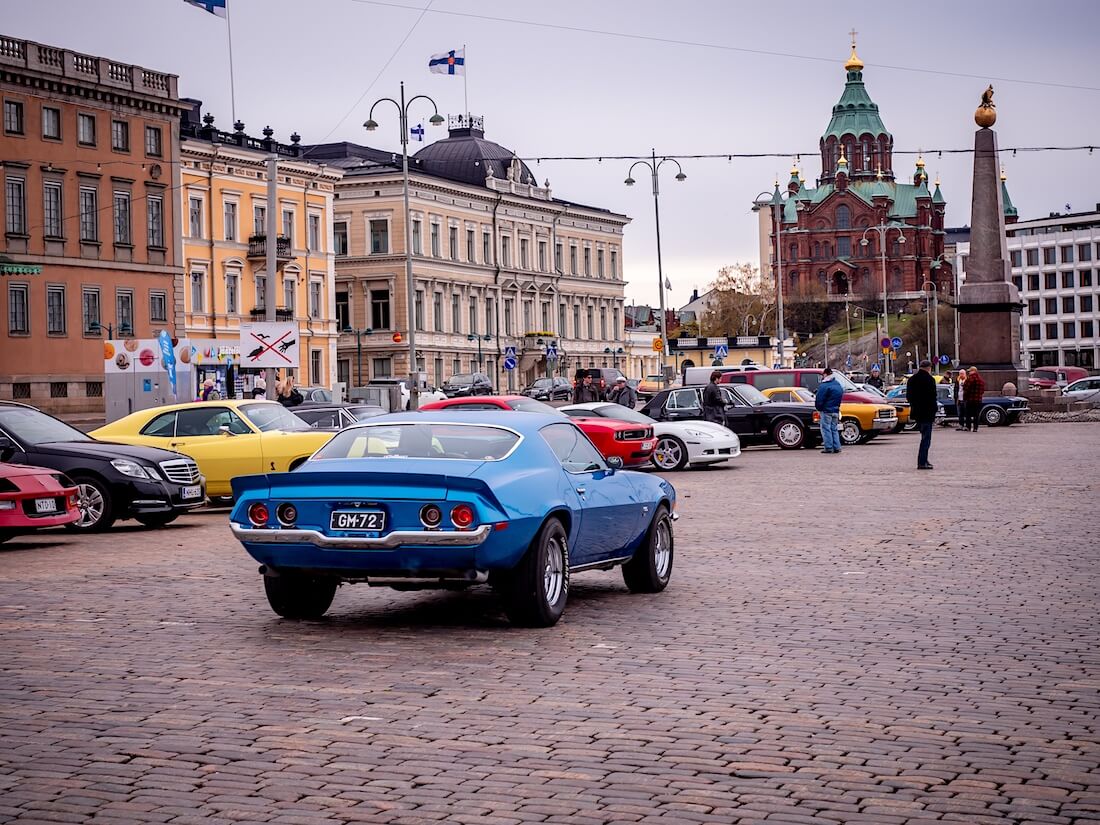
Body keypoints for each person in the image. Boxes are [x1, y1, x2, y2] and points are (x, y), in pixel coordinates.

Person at [907, 359, 938, 470]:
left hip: (917, 413)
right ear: (929, 368)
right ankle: (922, 461)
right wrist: (934, 411)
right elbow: (932, 397)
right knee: (926, 438)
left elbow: (909, 397)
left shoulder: (912, 380)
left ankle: (924, 460)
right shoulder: (930, 380)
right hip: (927, 413)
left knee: (924, 436)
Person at [814, 367, 844, 453]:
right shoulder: (837, 384)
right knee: (834, 428)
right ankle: (837, 447)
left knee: (826, 429)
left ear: (825, 374)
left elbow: (819, 399)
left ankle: (828, 447)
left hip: (826, 410)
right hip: (835, 410)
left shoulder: (824, 385)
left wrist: (819, 408)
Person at [963, 366, 985, 432]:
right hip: (978, 400)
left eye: (970, 371)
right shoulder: (981, 380)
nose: (969, 372)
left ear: (973, 371)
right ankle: (975, 428)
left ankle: (968, 427)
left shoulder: (969, 379)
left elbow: (966, 389)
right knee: (976, 414)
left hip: (970, 400)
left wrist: (965, 397)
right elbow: (982, 391)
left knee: (968, 414)